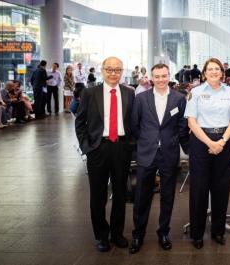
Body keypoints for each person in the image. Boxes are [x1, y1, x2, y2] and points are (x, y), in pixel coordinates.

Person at [75, 57, 135, 252]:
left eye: (117, 70)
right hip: (98, 148)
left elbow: (134, 122)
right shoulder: (90, 93)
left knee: (120, 193)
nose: (113, 73)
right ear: (102, 70)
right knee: (98, 195)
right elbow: (80, 121)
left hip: (121, 148)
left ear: (122, 71)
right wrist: (87, 147)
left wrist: (131, 145)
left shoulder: (129, 93)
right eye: (109, 69)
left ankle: (117, 233)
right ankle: (101, 235)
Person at [129, 63, 189, 254]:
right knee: (141, 196)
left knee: (168, 196)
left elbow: (182, 124)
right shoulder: (141, 98)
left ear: (169, 76)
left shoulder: (179, 99)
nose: (161, 79)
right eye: (157, 76)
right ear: (151, 78)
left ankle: (164, 232)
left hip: (169, 153)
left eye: (164, 76)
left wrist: (169, 140)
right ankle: (138, 234)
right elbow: (134, 125)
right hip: (147, 152)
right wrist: (149, 140)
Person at [184, 58, 230, 249]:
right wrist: (210, 143)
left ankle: (218, 231)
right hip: (201, 142)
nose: (214, 72)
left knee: (221, 188)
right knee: (199, 189)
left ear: (222, 72)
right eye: (210, 69)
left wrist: (222, 141)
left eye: (217, 69)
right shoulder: (196, 92)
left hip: (223, 140)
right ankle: (197, 234)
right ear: (204, 73)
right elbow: (191, 122)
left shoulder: (229, 91)